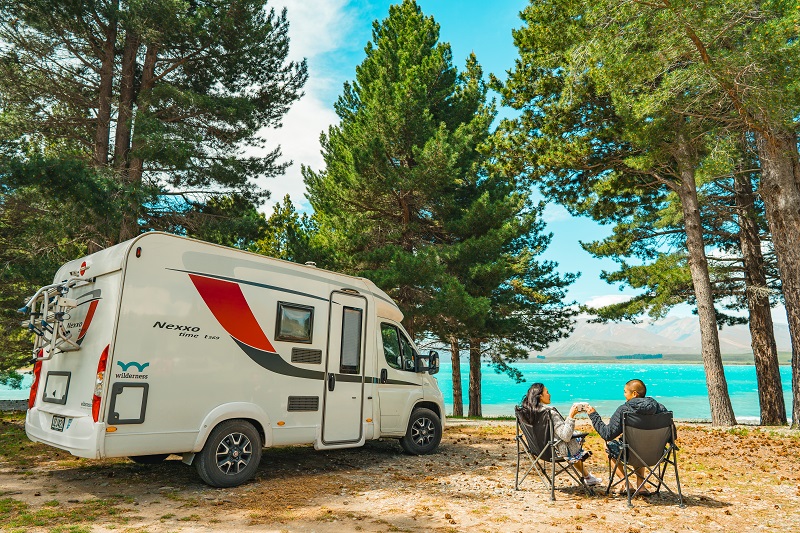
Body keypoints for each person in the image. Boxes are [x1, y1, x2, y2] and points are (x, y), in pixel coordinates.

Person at [586, 379, 669, 494]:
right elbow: (672, 436)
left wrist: (593, 415)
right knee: (641, 445)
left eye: (625, 392)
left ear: (634, 394)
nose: (624, 394)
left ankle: (626, 483)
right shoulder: (661, 409)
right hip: (657, 454)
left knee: (608, 446)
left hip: (632, 454)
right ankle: (641, 486)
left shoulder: (624, 410)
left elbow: (607, 434)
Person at [519, 382, 603, 487]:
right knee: (574, 440)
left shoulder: (527, 412)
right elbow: (566, 436)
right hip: (555, 451)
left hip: (538, 450)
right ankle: (588, 477)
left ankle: (588, 477)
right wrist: (571, 415)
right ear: (540, 396)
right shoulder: (550, 413)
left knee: (571, 439)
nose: (550, 394)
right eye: (547, 392)